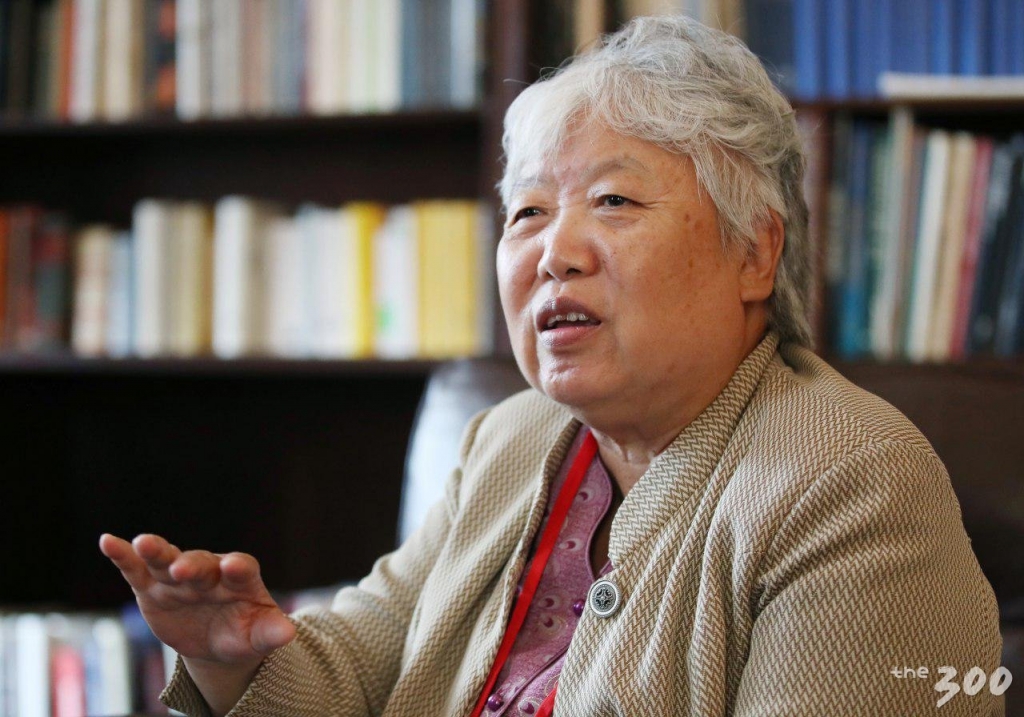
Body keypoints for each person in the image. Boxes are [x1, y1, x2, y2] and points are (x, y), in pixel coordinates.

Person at [100, 15, 1004, 717]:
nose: (553, 253)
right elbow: (359, 663)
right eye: (528, 213)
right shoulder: (509, 436)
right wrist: (234, 656)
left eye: (613, 200)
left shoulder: (850, 481)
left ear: (755, 253)